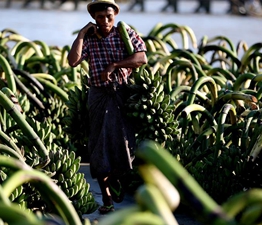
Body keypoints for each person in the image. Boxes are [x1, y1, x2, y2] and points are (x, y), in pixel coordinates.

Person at [67, 0, 147, 214]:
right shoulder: (90, 39)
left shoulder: (125, 33)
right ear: (93, 17)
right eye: (100, 17)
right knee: (99, 146)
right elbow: (73, 61)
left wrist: (115, 65)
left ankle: (116, 179)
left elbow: (141, 58)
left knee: (124, 144)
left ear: (115, 15)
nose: (104, 21)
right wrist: (83, 33)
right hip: (98, 96)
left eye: (108, 16)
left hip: (122, 94)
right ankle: (107, 200)